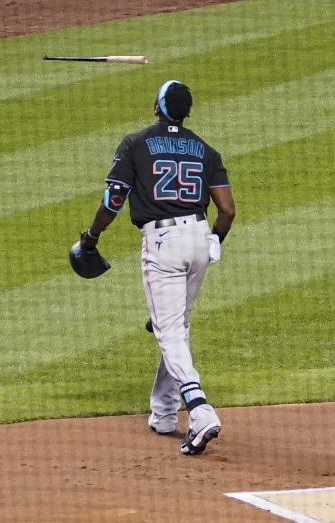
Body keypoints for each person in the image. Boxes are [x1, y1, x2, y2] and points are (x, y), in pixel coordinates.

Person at [75, 80, 236, 455]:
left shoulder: (136, 144)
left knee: (169, 332)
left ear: (157, 107)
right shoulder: (205, 150)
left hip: (162, 244)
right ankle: (164, 412)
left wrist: (91, 237)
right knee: (175, 326)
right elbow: (227, 209)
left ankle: (200, 411)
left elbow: (113, 199)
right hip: (199, 238)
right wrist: (215, 240)